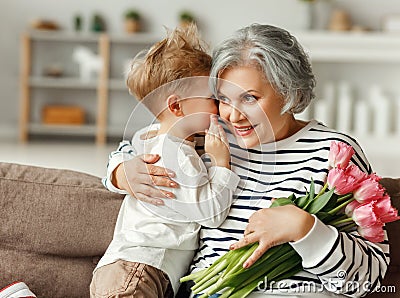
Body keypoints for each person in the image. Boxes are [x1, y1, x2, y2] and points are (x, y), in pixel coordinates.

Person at [106, 24, 389, 297]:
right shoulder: (214, 136)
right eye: (223, 99)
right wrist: (121, 171)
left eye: (250, 98)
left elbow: (367, 279)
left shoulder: (333, 152)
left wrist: (304, 229)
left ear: (289, 92)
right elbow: (148, 140)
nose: (233, 115)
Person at [90, 25, 240, 298]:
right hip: (141, 268)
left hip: (134, 266)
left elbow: (126, 149)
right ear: (175, 107)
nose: (219, 107)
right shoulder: (177, 156)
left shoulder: (149, 138)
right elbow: (212, 215)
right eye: (211, 99)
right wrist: (221, 164)